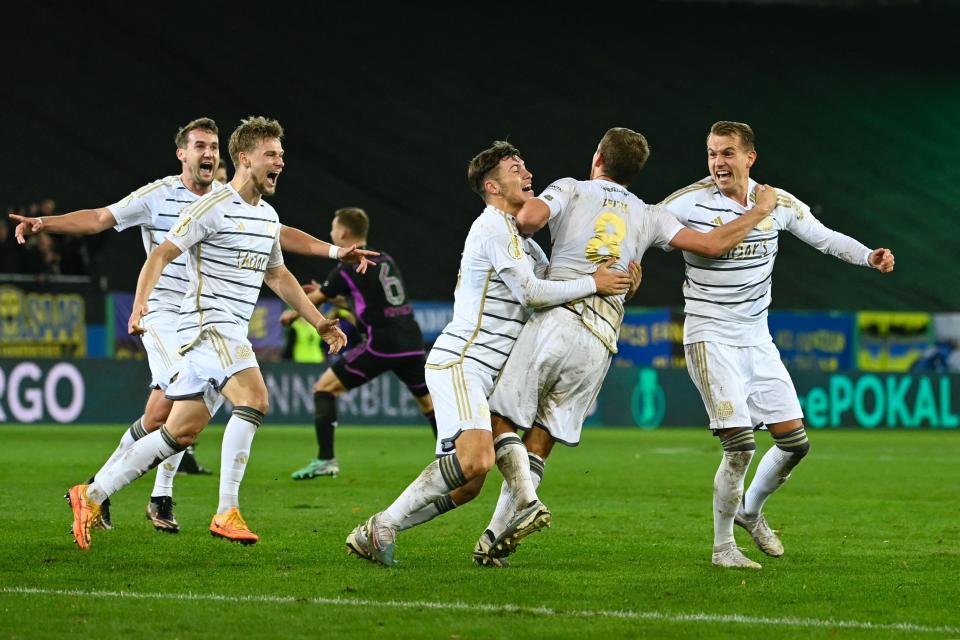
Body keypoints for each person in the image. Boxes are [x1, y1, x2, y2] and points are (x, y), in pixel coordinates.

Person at [12, 117, 373, 533]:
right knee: (252, 398)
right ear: (184, 153)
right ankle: (207, 506)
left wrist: (322, 307)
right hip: (184, 317)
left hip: (218, 322)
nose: (207, 153)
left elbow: (276, 263)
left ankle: (94, 493)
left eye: (212, 146)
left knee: (178, 424)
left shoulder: (254, 209)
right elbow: (112, 226)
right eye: (199, 145)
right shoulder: (178, 201)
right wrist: (137, 301)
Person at [475, 127, 779, 567]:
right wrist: (760, 211)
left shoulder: (570, 188)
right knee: (543, 436)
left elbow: (527, 219)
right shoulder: (650, 214)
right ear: (634, 172)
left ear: (597, 156)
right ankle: (493, 539)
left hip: (559, 317)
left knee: (500, 415)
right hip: (601, 340)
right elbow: (712, 245)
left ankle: (524, 501)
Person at [345, 141, 633, 566]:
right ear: (493, 186)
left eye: (525, 165)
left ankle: (378, 528)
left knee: (468, 484)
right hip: (462, 361)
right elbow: (533, 294)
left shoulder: (525, 242)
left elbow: (555, 292)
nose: (528, 173)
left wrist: (616, 283)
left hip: (489, 370)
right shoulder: (492, 227)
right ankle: (381, 527)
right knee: (476, 460)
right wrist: (595, 282)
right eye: (516, 168)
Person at [659, 121, 895, 569]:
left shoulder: (778, 201)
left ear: (750, 157)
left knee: (795, 443)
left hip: (756, 337)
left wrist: (868, 255)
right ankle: (723, 548)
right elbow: (644, 226)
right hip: (710, 335)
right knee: (741, 445)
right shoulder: (687, 202)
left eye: (727, 153)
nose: (717, 163)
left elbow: (824, 238)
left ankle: (749, 511)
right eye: (711, 153)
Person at [281, 207, 437, 480]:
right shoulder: (384, 259)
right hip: (411, 340)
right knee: (429, 405)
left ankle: (325, 459)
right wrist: (334, 297)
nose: (330, 232)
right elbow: (368, 303)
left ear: (342, 233)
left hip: (381, 343)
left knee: (323, 389)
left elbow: (318, 297)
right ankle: (453, 459)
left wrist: (292, 314)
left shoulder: (346, 267)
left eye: (333, 228)